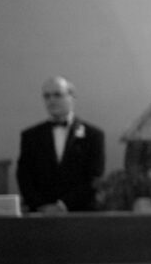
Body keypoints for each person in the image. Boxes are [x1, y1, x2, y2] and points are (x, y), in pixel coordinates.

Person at [16, 76, 105, 213]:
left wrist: (63, 205)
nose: (51, 100)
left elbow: (94, 178)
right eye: (47, 96)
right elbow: (24, 176)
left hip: (80, 213)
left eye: (57, 95)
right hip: (40, 213)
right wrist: (41, 205)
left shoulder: (93, 135)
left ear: (72, 97)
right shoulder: (30, 136)